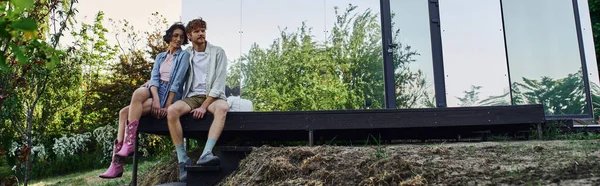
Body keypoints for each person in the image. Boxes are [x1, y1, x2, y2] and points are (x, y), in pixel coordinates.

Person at [99, 23, 191, 179]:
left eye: (181, 37)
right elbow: (154, 77)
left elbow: (177, 81)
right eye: (175, 35)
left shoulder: (184, 55)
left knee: (124, 113)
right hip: (155, 89)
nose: (178, 39)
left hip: (170, 92)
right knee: (133, 98)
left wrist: (167, 104)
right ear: (169, 36)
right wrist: (155, 97)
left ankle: (118, 161)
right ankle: (125, 150)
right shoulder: (160, 56)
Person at [166, 18, 229, 181]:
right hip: (192, 96)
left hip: (214, 97)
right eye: (197, 31)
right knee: (172, 111)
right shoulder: (185, 54)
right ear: (189, 35)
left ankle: (206, 153)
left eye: (203, 30)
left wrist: (204, 106)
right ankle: (182, 160)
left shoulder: (218, 52)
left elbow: (219, 83)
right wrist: (151, 83)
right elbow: (172, 75)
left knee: (222, 109)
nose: (201, 34)